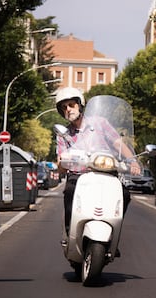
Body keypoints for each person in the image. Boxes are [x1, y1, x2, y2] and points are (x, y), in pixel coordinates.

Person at [55, 87, 140, 243]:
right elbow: (60, 161)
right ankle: (69, 234)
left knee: (124, 195)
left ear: (80, 105)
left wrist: (133, 160)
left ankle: (113, 233)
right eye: (64, 107)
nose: (68, 109)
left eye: (71, 105)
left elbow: (117, 143)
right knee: (69, 193)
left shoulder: (100, 123)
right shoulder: (64, 134)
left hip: (105, 173)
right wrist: (62, 163)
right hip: (78, 176)